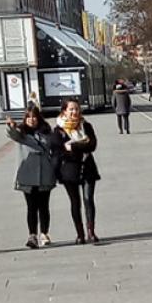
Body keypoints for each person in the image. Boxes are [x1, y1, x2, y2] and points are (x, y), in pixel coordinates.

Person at [7, 105, 57, 249]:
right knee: (31, 206)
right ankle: (32, 235)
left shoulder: (47, 132)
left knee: (44, 205)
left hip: (45, 173)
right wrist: (11, 126)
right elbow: (12, 134)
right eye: (28, 117)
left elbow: (54, 148)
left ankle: (44, 233)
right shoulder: (21, 133)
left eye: (34, 117)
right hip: (27, 174)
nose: (31, 120)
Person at [54, 99, 101, 244]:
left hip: (88, 168)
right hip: (69, 171)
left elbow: (92, 145)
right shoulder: (58, 130)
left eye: (76, 109)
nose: (74, 112)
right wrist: (81, 145)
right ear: (64, 112)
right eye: (71, 109)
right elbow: (59, 151)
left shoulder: (86, 126)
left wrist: (73, 147)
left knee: (88, 199)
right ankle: (80, 234)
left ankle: (91, 232)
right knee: (75, 202)